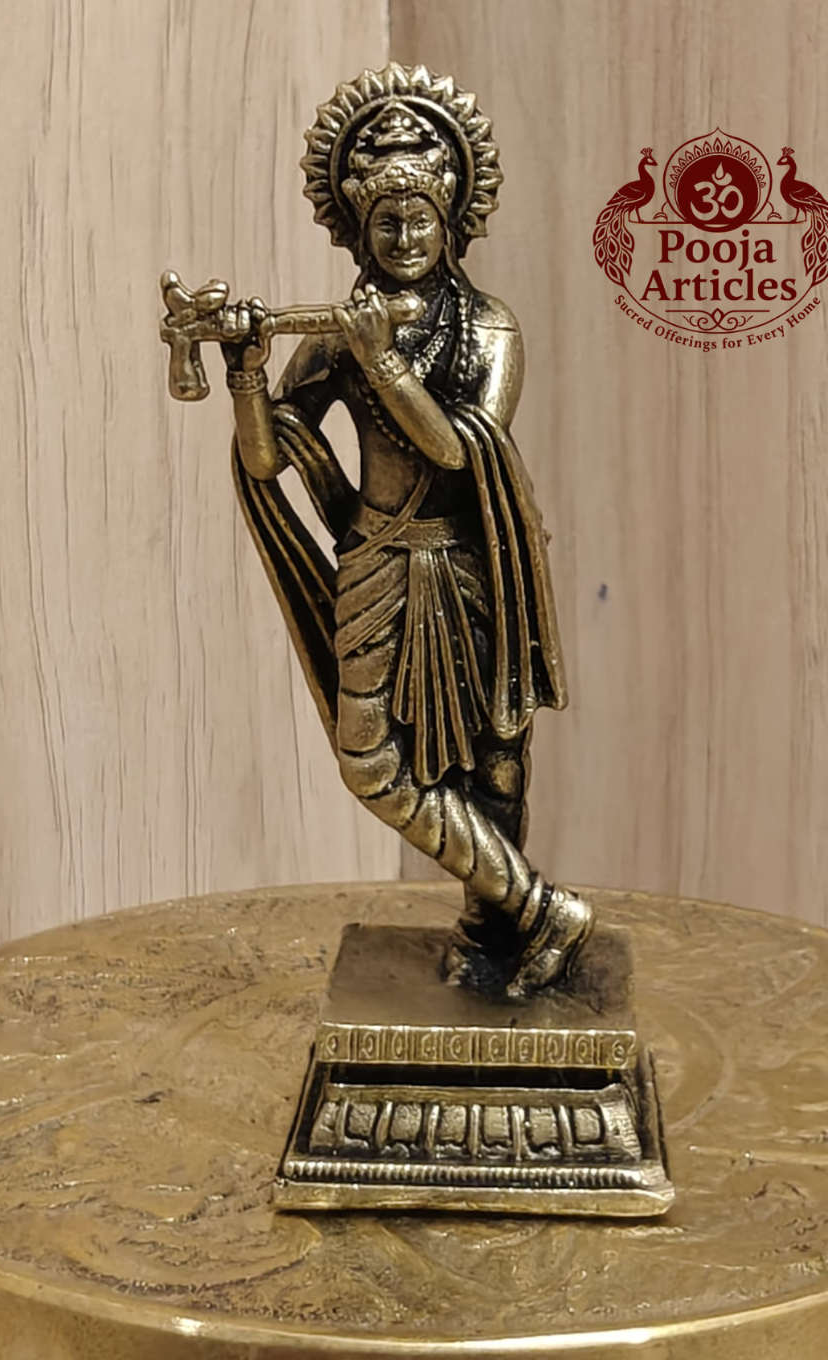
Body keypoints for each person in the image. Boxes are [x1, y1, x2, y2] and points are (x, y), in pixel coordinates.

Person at [220, 71, 590, 998]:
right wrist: (245, 371)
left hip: (474, 564)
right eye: (385, 222)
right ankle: (541, 907)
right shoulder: (337, 335)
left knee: (491, 764)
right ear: (356, 228)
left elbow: (465, 449)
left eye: (420, 217)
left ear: (453, 217)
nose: (405, 238)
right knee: (371, 763)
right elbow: (267, 459)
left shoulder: (488, 328)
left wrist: (382, 360)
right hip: (377, 566)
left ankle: (496, 928)